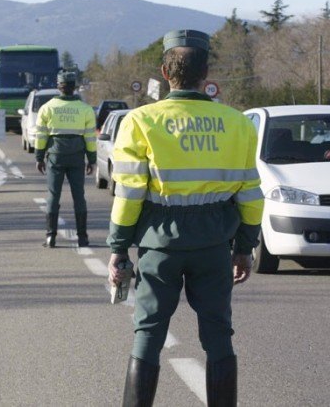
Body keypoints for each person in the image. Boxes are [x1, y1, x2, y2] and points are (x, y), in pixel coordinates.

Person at [106, 29, 264, 406]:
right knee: (218, 336)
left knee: (148, 335)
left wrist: (118, 250)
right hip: (213, 246)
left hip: (159, 246)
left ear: (165, 71)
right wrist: (244, 248)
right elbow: (250, 195)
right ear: (206, 73)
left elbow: (128, 194)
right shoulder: (238, 123)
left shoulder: (140, 121)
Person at [35, 71, 97, 248]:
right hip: (77, 157)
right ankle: (83, 238)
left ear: (58, 86)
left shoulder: (47, 108)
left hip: (55, 156)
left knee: (53, 195)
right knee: (79, 197)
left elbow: (41, 136)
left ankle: (50, 236)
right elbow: (90, 138)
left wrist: (39, 157)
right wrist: (91, 160)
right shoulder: (85, 109)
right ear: (74, 87)